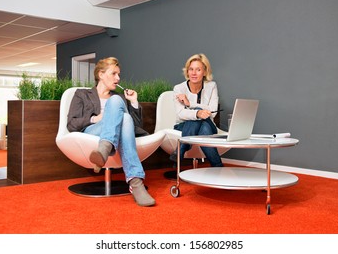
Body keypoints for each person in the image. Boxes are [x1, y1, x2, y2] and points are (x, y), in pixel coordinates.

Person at [67, 57, 155, 207]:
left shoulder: (120, 98)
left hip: (109, 138)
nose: (118, 78)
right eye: (114, 73)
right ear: (101, 74)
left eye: (119, 74)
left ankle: (105, 149)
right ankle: (135, 183)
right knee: (117, 106)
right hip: (92, 132)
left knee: (125, 117)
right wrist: (96, 119)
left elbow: (134, 127)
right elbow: (72, 123)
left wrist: (133, 102)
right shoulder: (82, 94)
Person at [172, 53, 223, 167]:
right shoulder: (179, 88)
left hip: (209, 123)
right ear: (187, 71)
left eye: (198, 69)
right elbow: (181, 114)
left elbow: (213, 111)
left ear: (205, 72)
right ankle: (218, 166)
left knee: (204, 122)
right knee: (204, 129)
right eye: (191, 69)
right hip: (183, 125)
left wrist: (190, 104)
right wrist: (198, 113)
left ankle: (181, 149)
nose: (194, 73)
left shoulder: (212, 86)